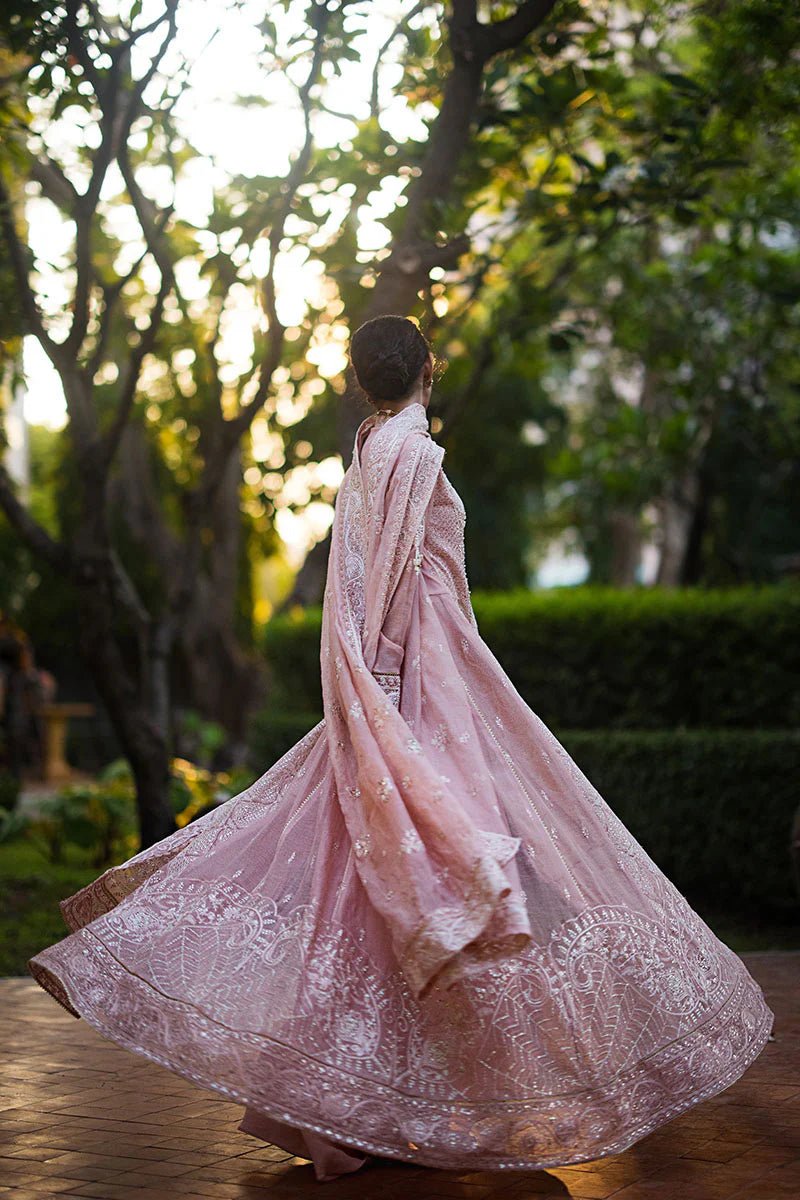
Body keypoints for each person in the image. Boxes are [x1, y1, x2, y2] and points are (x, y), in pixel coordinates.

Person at [28, 315, 774, 1184]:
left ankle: (361, 1106)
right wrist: (385, 691)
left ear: (360, 381)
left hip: (417, 676)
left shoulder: (371, 450)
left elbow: (369, 573)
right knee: (447, 862)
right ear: (429, 367)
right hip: (423, 681)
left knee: (378, 877)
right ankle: (400, 1101)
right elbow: (381, 573)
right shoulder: (410, 452)